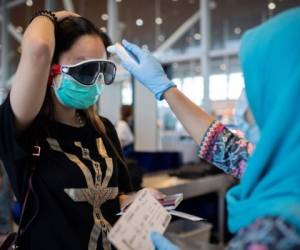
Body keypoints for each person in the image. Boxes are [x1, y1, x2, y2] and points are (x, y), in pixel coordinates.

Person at [112, 7, 300, 250]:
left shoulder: (276, 230)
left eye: (253, 86)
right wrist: (166, 89)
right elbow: (229, 149)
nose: (244, 110)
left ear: (285, 100)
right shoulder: (286, 171)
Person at [0, 10, 133, 250]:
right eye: (85, 69)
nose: (95, 81)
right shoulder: (26, 131)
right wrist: (52, 15)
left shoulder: (104, 129)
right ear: (51, 70)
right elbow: (39, 47)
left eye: (102, 69)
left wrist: (139, 202)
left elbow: (118, 198)